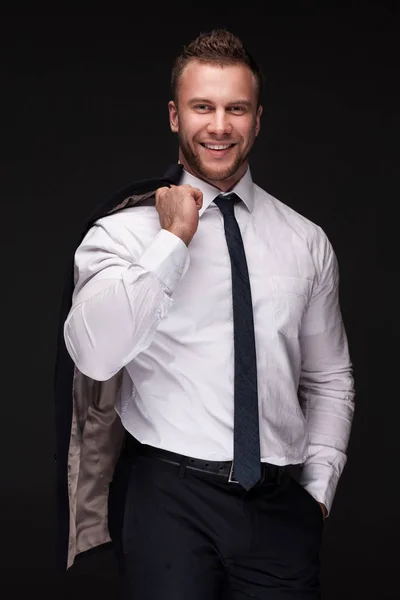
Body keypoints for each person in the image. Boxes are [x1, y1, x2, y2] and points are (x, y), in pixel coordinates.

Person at [55, 28, 355, 599]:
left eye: (235, 108)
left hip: (278, 506)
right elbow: (95, 355)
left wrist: (316, 492)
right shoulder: (121, 234)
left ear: (257, 119)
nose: (219, 126)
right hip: (165, 499)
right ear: (175, 116)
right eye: (203, 107)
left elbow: (329, 378)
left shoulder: (306, 241)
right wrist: (173, 240)